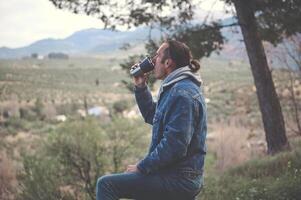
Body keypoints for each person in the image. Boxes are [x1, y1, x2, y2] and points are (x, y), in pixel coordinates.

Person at [96, 40, 207, 200]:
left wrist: (142, 167)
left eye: (157, 55)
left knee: (106, 185)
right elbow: (153, 115)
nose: (153, 60)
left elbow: (175, 145)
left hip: (179, 178)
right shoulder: (176, 88)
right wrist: (141, 86)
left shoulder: (182, 93)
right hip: (177, 174)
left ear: (168, 62)